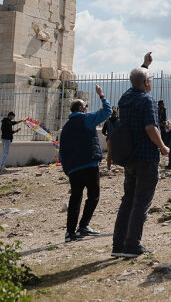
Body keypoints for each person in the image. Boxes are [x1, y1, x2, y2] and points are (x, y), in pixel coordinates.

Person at [111, 58, 170, 258]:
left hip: (128, 156)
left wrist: (145, 65)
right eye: (150, 79)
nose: (151, 81)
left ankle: (118, 245)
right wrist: (162, 146)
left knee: (127, 200)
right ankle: (132, 245)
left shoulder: (125, 98)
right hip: (146, 156)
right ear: (146, 83)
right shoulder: (147, 100)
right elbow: (151, 127)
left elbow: (136, 79)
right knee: (141, 202)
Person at [59, 84, 112, 242]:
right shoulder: (86, 119)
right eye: (86, 106)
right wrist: (102, 95)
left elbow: (62, 152)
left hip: (73, 169)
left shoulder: (66, 128)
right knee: (93, 196)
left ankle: (70, 233)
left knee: (75, 199)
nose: (88, 108)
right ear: (81, 108)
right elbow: (107, 112)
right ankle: (83, 226)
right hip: (89, 164)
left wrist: (67, 169)